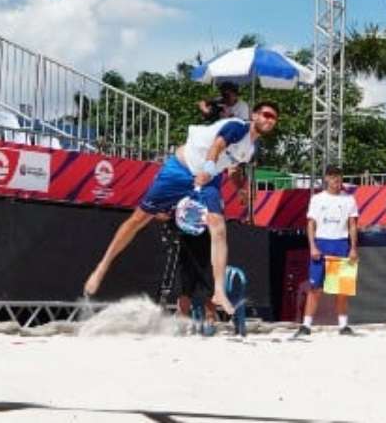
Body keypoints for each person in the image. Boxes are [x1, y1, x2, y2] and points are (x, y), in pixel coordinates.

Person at [82, 101, 280, 313]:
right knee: (138, 219)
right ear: (254, 115)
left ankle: (219, 291)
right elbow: (217, 146)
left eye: (273, 118)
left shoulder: (251, 148)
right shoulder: (238, 126)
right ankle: (102, 266)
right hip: (181, 169)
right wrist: (208, 168)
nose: (269, 119)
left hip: (208, 177)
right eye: (266, 114)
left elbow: (233, 169)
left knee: (219, 227)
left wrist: (241, 188)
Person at [296, 165, 359, 336]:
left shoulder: (349, 199)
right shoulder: (317, 199)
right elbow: (311, 224)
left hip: (341, 243)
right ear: (326, 179)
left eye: (338, 176)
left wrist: (353, 248)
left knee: (341, 288)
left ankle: (343, 325)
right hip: (322, 243)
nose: (335, 180)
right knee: (315, 287)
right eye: (331, 177)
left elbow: (352, 225)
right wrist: (312, 246)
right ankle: (306, 325)